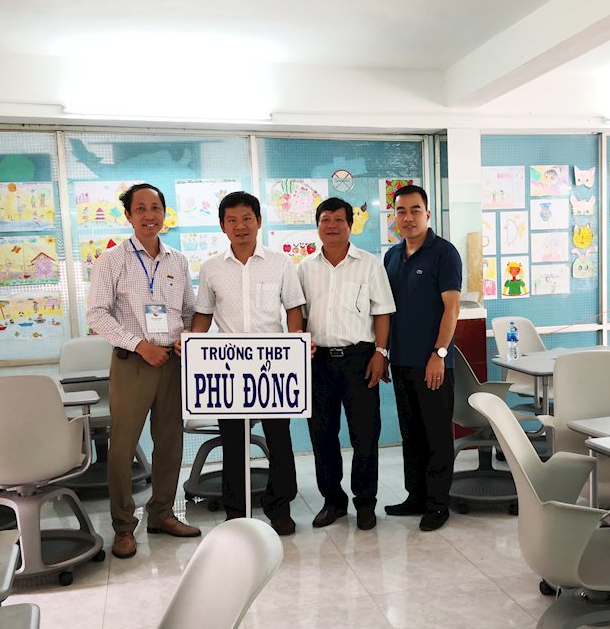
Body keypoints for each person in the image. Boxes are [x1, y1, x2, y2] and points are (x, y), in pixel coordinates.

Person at [86, 182, 201, 560]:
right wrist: (139, 345)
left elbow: (189, 311)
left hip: (172, 362)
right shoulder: (111, 260)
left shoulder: (177, 261)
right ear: (128, 215)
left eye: (156, 208)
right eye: (141, 209)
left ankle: (162, 514)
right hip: (133, 362)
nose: (149, 215)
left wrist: (186, 337)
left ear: (165, 213)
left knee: (170, 442)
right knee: (123, 447)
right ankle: (123, 526)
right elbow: (96, 314)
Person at [191, 191, 305, 536]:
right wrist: (191, 346)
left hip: (273, 367)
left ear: (258, 221)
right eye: (232, 220)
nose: (240, 226)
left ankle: (279, 508)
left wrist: (296, 345)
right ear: (222, 226)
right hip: (230, 369)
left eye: (246, 218)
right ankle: (236, 511)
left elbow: (294, 309)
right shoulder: (211, 268)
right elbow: (203, 314)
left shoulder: (280, 262)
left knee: (279, 440)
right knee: (234, 442)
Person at [298, 197, 396, 531]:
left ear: (350, 225)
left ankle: (365, 503)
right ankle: (333, 501)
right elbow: (299, 315)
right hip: (318, 363)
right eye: (325, 220)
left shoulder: (369, 264)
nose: (332, 226)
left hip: (360, 359)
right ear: (317, 226)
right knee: (322, 436)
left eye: (339, 220)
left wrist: (381, 353)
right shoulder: (304, 268)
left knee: (365, 436)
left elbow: (382, 311)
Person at [382, 184, 462, 531]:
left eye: (415, 210)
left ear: (427, 214)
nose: (408, 217)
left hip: (433, 363)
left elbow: (452, 309)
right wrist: (384, 353)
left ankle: (438, 504)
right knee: (411, 434)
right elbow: (386, 311)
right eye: (401, 211)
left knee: (436, 436)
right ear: (394, 217)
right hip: (401, 362)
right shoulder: (391, 256)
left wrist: (438, 354)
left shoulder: (444, 253)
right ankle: (415, 496)